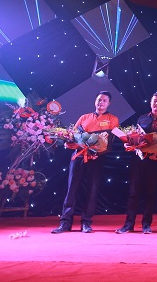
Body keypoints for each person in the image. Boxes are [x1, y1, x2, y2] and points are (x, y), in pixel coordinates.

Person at [52, 91, 120, 234]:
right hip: (79, 156)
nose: (101, 102)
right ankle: (65, 222)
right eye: (99, 99)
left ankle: (86, 222)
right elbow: (74, 135)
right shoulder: (84, 117)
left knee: (92, 190)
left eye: (104, 100)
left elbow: (108, 141)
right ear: (95, 101)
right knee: (71, 189)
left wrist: (95, 150)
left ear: (109, 103)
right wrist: (69, 142)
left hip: (97, 158)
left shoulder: (113, 119)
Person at [116, 92, 157, 234]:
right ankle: (129, 224)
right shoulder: (142, 118)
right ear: (150, 103)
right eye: (154, 101)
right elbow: (136, 136)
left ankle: (146, 224)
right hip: (139, 160)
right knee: (133, 192)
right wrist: (129, 143)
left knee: (150, 193)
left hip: (155, 161)